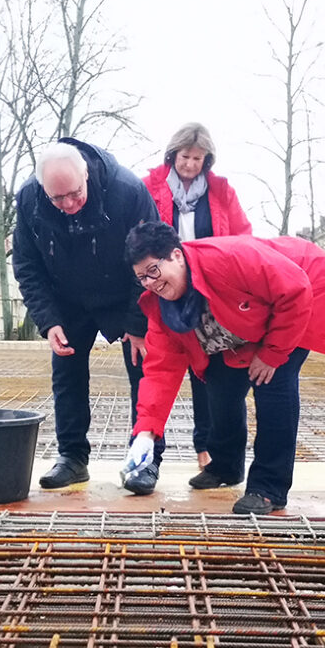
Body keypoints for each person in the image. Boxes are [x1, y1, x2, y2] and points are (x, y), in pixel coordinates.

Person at [120, 221, 325, 515]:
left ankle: (268, 488)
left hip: (307, 289)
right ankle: (226, 467)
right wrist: (145, 435)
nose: (151, 283)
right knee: (219, 384)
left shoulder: (230, 260)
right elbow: (159, 373)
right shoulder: (161, 308)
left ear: (176, 256)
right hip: (249, 321)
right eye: (142, 277)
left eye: (153, 270)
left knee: (273, 383)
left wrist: (271, 353)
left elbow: (295, 289)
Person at [12, 139, 162, 495]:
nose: (68, 205)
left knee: (144, 373)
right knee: (66, 375)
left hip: (123, 290)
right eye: (57, 198)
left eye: (74, 194)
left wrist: (137, 323)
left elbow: (150, 258)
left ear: (86, 175)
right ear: (43, 189)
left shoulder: (127, 191)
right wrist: (48, 321)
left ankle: (145, 460)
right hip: (66, 297)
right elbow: (27, 264)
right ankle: (72, 457)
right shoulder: (29, 199)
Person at [142, 122, 252, 470]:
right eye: (186, 157)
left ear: (208, 161)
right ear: (173, 154)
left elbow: (241, 236)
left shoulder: (221, 191)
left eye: (199, 159)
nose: (191, 165)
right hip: (170, 287)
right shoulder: (150, 188)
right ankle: (149, 445)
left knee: (209, 370)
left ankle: (205, 446)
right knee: (167, 364)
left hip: (212, 288)